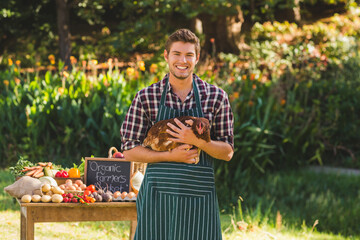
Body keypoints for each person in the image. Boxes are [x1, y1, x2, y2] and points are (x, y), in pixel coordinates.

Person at [120, 28, 234, 240]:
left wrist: (196, 141)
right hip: (157, 195)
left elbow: (227, 152)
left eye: (189, 55)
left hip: (199, 196)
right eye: (177, 54)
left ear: (197, 58)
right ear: (166, 56)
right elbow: (128, 150)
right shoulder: (147, 97)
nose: (183, 61)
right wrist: (169, 156)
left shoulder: (216, 97)